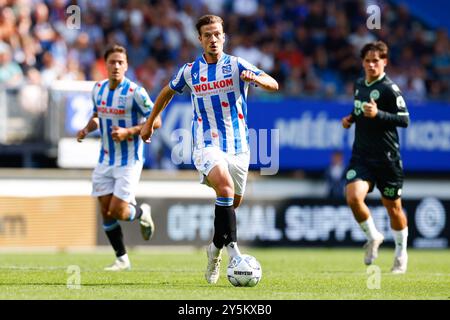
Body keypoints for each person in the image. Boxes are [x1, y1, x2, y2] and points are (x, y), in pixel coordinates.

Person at [140, 15, 278, 284]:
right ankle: (235, 255)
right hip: (206, 143)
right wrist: (150, 122)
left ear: (224, 36)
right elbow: (167, 91)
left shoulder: (238, 66)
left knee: (230, 206)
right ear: (200, 39)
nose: (213, 39)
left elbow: (274, 84)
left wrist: (258, 80)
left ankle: (214, 251)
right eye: (207, 35)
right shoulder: (190, 71)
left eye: (217, 34)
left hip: (239, 147)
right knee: (224, 189)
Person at [77, 45, 161, 271]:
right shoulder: (98, 89)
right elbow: (97, 116)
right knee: (105, 211)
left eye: (120, 62)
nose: (116, 66)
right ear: (105, 65)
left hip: (129, 160)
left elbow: (157, 120)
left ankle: (142, 212)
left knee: (118, 211)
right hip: (105, 159)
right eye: (112, 62)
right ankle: (122, 258)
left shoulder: (136, 92)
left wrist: (129, 132)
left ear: (126, 66)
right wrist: (86, 129)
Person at [342, 41, 410, 274]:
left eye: (376, 60)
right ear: (362, 62)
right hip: (362, 155)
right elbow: (359, 108)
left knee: (393, 208)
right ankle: (374, 236)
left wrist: (378, 114)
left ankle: (401, 253)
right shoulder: (359, 83)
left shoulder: (390, 88)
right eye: (368, 61)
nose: (371, 65)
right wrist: (351, 118)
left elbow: (404, 119)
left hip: (387, 158)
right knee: (352, 196)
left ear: (384, 62)